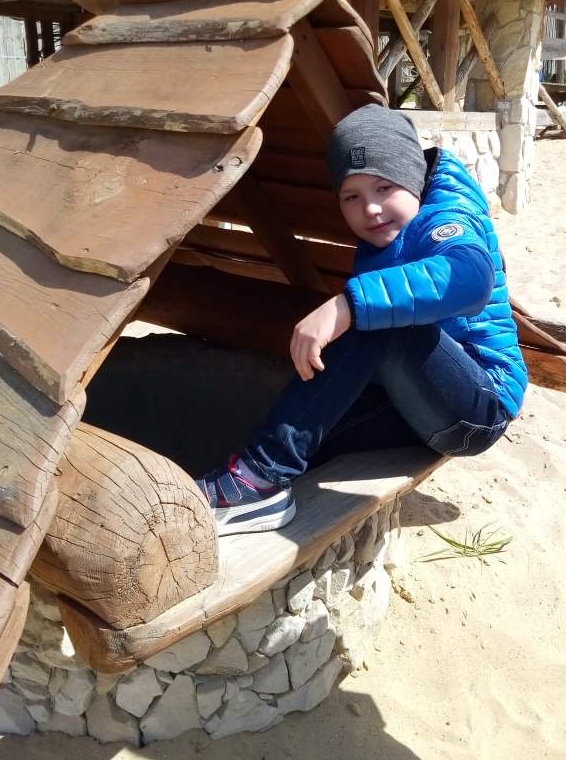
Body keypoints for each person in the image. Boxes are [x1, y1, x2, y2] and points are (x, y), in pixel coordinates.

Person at [195, 104, 527, 536]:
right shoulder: (384, 235)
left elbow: (469, 278)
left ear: (412, 178)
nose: (370, 208)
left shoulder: (445, 218)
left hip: (478, 408)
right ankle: (252, 480)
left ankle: (259, 479)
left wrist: (347, 305)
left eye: (384, 187)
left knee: (375, 318)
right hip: (409, 401)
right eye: (351, 197)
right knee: (307, 442)